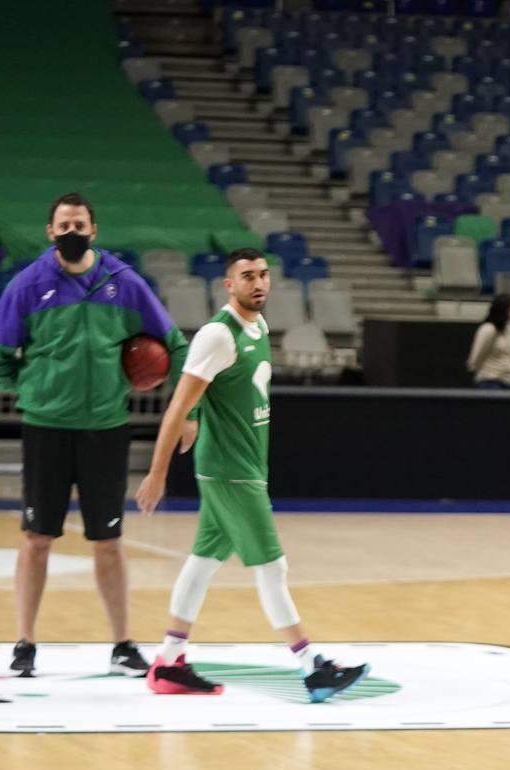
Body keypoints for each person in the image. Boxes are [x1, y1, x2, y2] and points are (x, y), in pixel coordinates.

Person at [134, 248, 369, 701]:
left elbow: (213, 393)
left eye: (263, 275)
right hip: (230, 472)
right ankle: (311, 666)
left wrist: (199, 416)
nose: (258, 283)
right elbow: (179, 403)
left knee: (201, 565)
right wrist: (157, 472)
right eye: (247, 277)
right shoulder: (217, 335)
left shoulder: (258, 327)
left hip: (244, 467)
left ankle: (168, 662)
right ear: (228, 285)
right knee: (272, 567)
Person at [0, 192, 192, 678]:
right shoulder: (28, 285)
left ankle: (122, 644)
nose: (72, 231)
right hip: (46, 429)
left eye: (79, 224)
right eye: (63, 225)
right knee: (37, 538)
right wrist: (32, 390)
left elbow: (176, 347)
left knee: (108, 542)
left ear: (93, 230)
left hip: (105, 429)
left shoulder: (124, 283)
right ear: (50, 232)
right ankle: (24, 644)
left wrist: (189, 413)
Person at [467, 293, 510, 389]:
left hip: (507, 381)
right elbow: (474, 359)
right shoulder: (488, 329)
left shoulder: (508, 327)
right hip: (489, 381)